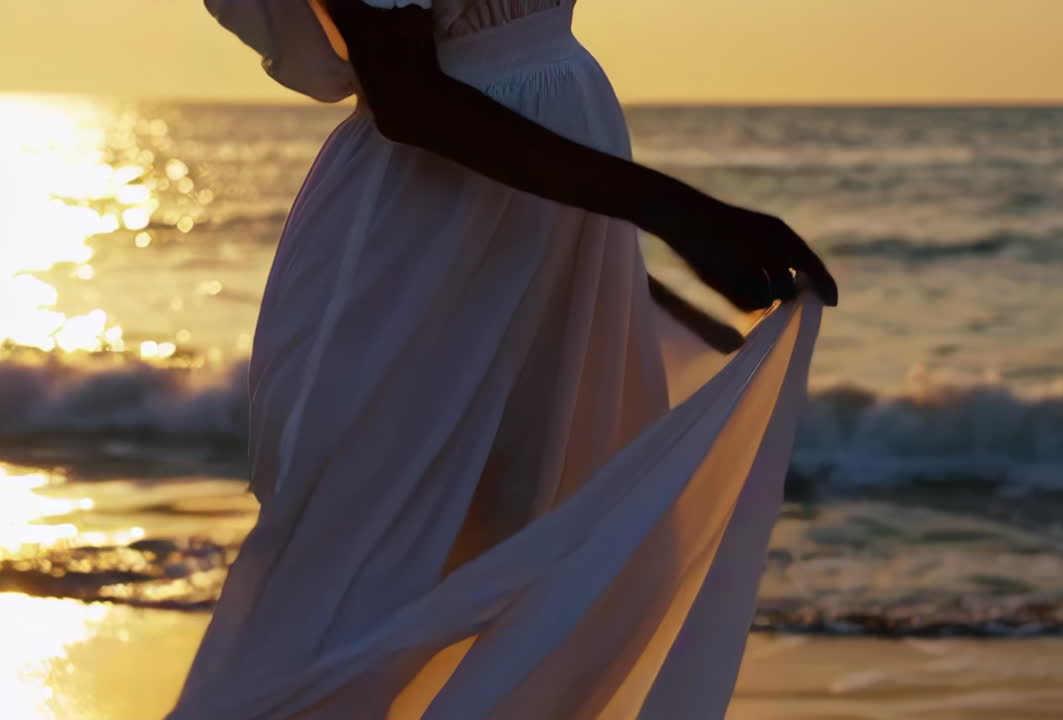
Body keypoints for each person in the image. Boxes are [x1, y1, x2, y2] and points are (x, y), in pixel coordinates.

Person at [168, 0, 837, 717]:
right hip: (415, 267)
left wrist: (619, 280)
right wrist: (685, 214)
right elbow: (408, 98)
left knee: (545, 569)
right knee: (339, 605)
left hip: (532, 250)